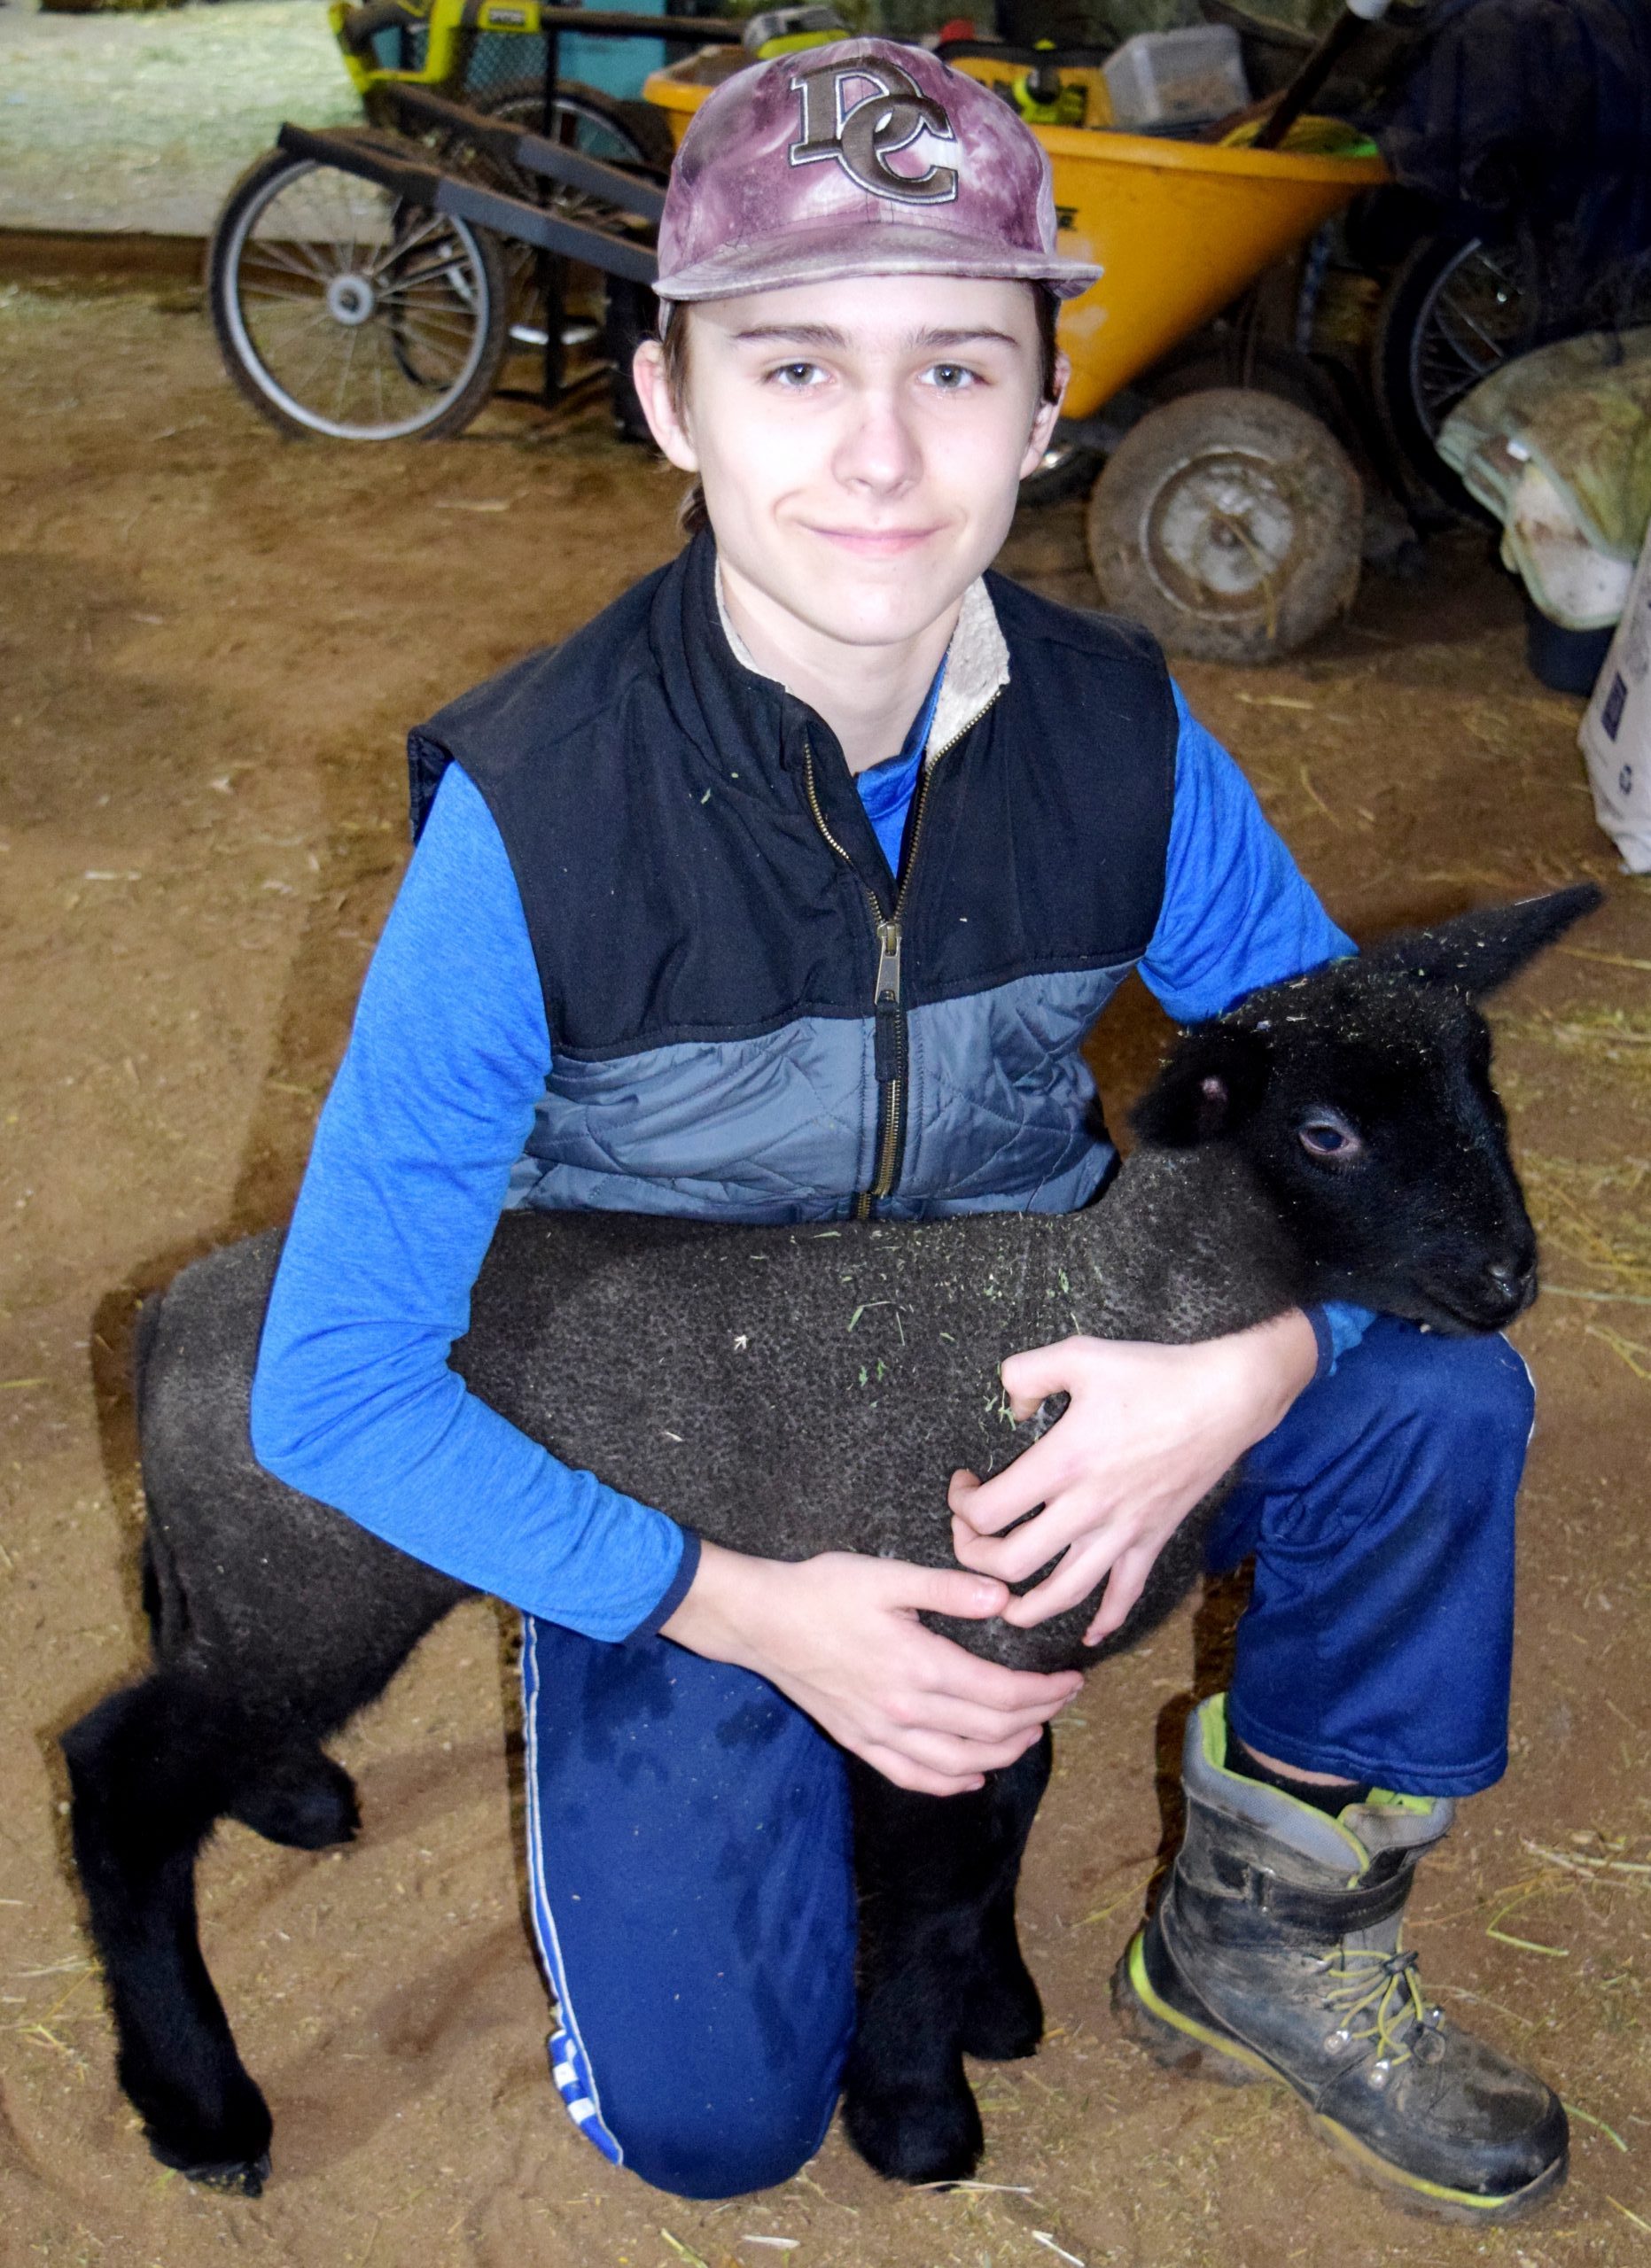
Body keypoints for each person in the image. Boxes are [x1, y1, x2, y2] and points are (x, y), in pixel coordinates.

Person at [249, 37, 1566, 2220]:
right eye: (789, 368)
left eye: (955, 369)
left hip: (1030, 1334)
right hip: (698, 1445)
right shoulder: (538, 818)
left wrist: (1244, 1363)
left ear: (1050, 402)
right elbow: (333, 1378)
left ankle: (1265, 1933)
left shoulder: (1121, 736)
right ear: (671, 403)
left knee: (1431, 1392)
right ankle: (665, 1705)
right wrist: (726, 1601)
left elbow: (1368, 1104)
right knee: (715, 2124)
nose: (877, 453)